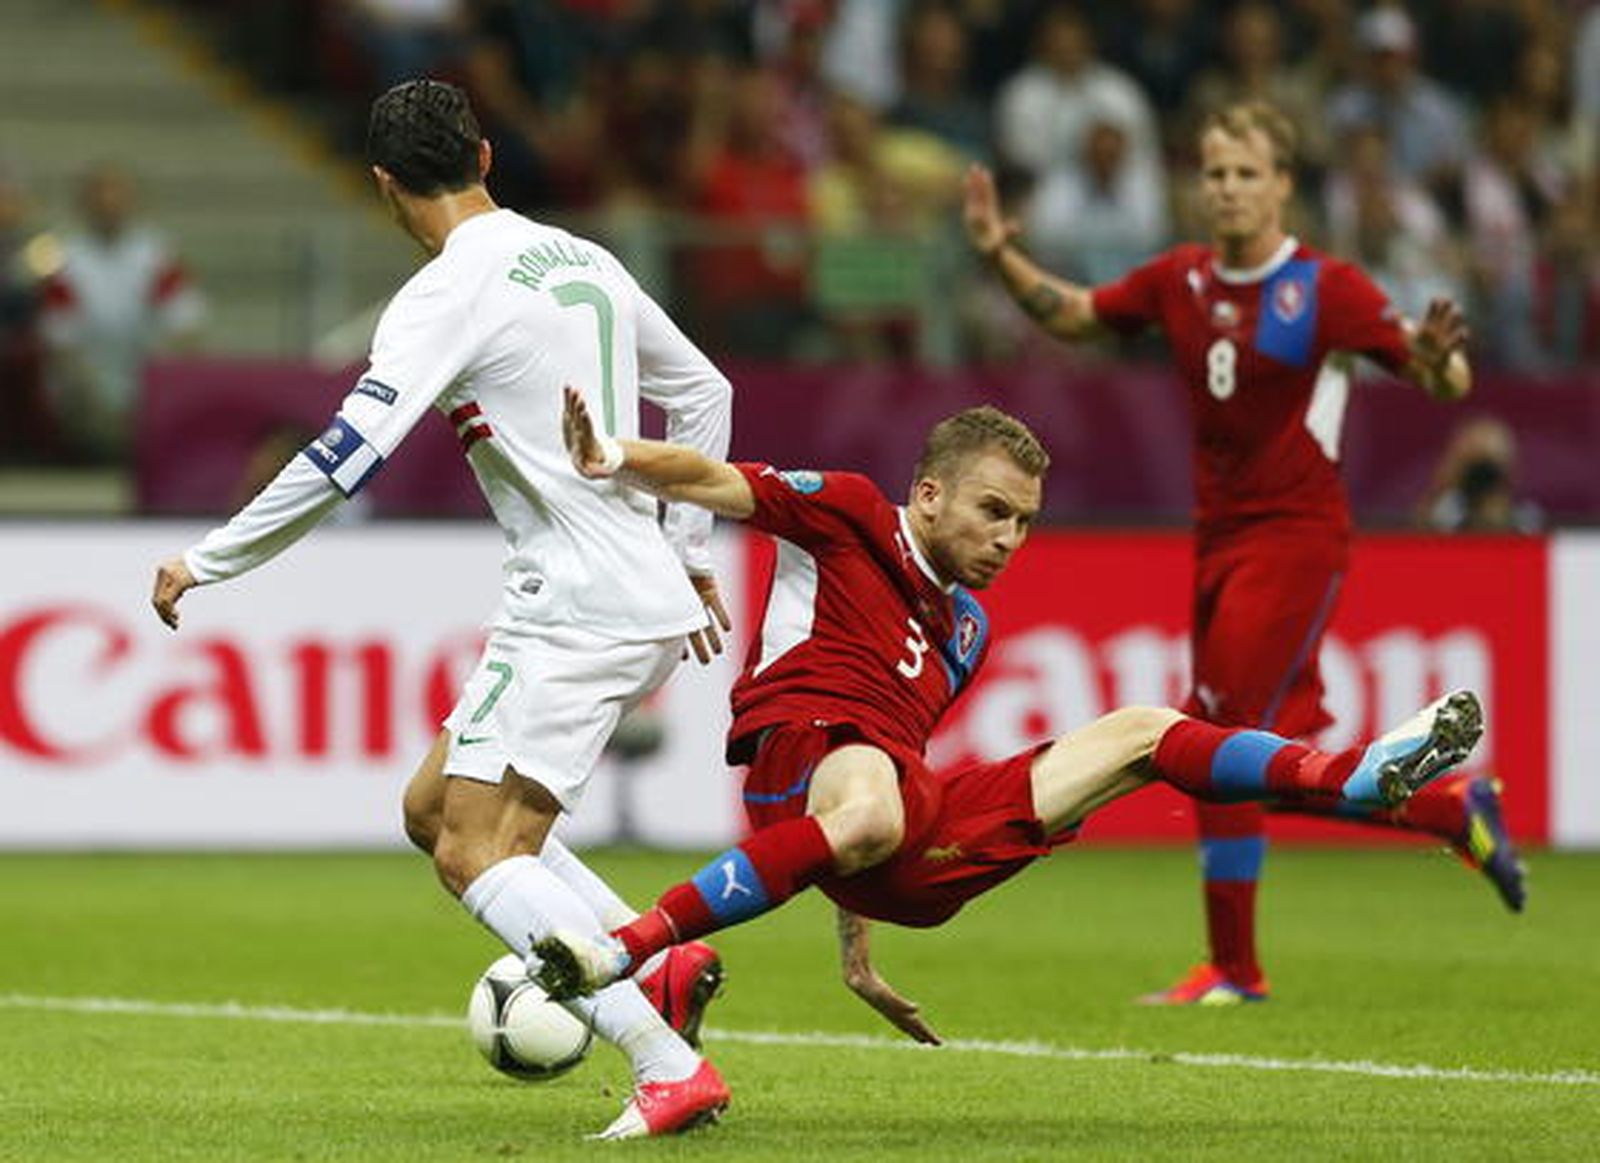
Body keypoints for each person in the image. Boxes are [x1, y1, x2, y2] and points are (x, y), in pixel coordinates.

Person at [530, 392, 1487, 1046]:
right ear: (932, 493)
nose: (1008, 539)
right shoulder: (854, 514)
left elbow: (887, 779)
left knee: (1144, 730)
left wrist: (858, 937)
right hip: (796, 763)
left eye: (1025, 521)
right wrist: (611, 457)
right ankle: (628, 946)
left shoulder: (968, 632)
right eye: (993, 511)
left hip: (893, 832)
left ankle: (1349, 776)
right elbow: (715, 477)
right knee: (870, 802)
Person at [149, 80, 734, 1139]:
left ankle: (664, 1060)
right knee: (431, 809)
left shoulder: (443, 292)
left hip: (575, 604)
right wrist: (689, 553)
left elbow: (341, 461)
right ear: (485, 154)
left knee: (475, 850)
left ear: (383, 187)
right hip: (628, 587)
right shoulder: (582, 257)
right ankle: (661, 955)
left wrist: (210, 556)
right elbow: (705, 393)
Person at [961, 99, 1524, 1007]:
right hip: (1218, 538)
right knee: (1242, 756)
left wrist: (1435, 359)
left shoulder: (1325, 288)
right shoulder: (1179, 280)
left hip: (1296, 536)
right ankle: (1448, 808)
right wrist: (997, 253)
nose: (1226, 188)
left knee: (1208, 737)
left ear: (1283, 185)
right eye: (1215, 172)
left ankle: (1235, 965)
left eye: (1246, 173)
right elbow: (1075, 315)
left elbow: (1441, 375)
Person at [39, 162, 206, 466]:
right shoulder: (65, 258)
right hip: (87, 387)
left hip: (146, 379)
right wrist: (95, 395)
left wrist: (155, 385)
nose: (108, 206)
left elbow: (186, 327)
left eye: (116, 197)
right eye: (100, 198)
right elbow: (60, 341)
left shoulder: (157, 254)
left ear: (132, 202)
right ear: (85, 204)